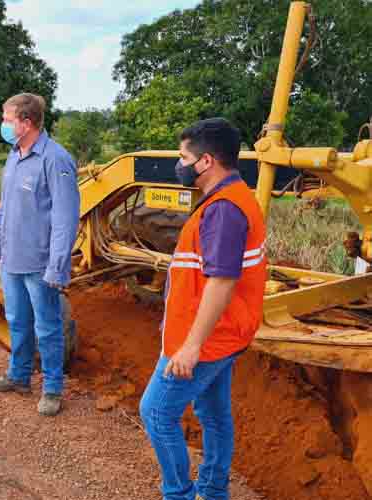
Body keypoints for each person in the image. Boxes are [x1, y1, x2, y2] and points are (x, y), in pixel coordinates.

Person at [139, 118, 267, 500]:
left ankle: (178, 493)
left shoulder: (223, 210)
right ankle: (212, 492)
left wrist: (192, 345)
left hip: (208, 337)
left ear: (207, 161)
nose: (179, 165)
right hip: (228, 332)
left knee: (157, 413)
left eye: (183, 157)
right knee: (212, 415)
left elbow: (223, 281)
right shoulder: (235, 198)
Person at [0, 93, 80, 417]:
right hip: (11, 259)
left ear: (26, 122)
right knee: (17, 321)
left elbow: (66, 218)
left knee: (48, 327)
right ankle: (18, 376)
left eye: (8, 119)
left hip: (40, 263)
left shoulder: (56, 159)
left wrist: (57, 266)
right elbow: (4, 206)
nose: (3, 125)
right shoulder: (14, 155)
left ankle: (52, 388)